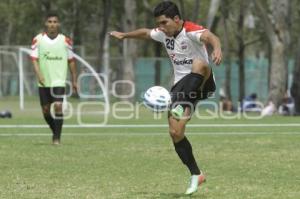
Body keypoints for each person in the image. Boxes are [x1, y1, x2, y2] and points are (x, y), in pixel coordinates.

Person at [110, 1, 222, 195]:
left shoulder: (190, 31)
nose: (161, 27)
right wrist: (125, 35)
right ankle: (196, 174)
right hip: (181, 88)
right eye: (159, 24)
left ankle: (178, 104)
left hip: (203, 82)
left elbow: (210, 36)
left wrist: (217, 49)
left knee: (200, 64)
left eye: (164, 22)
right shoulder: (164, 34)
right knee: (175, 132)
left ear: (176, 19)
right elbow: (146, 33)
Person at [31, 12, 77, 145]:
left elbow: (72, 61)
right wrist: (39, 74)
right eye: (50, 22)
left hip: (59, 81)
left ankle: (57, 139)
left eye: (55, 22)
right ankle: (55, 130)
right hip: (44, 81)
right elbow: (34, 59)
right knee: (45, 111)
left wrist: (74, 79)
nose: (52, 24)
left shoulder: (65, 40)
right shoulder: (38, 39)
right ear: (46, 24)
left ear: (59, 24)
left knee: (58, 106)